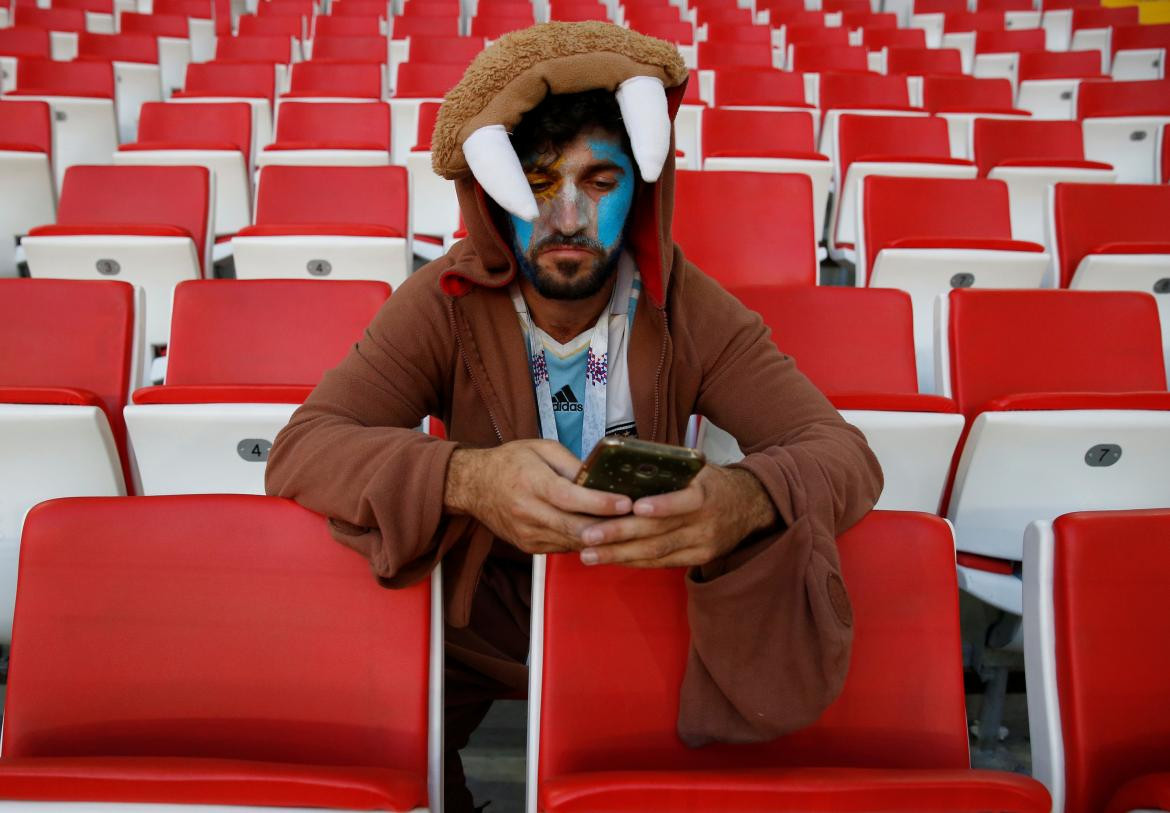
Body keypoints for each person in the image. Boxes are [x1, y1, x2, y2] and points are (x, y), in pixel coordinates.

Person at [265, 21, 883, 812]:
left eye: (598, 182)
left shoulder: (687, 304)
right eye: (538, 182)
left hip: (634, 598)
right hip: (480, 604)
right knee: (359, 717)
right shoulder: (442, 302)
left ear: (641, 190)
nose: (565, 218)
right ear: (493, 198)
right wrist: (470, 477)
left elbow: (842, 452)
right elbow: (304, 447)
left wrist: (745, 498)